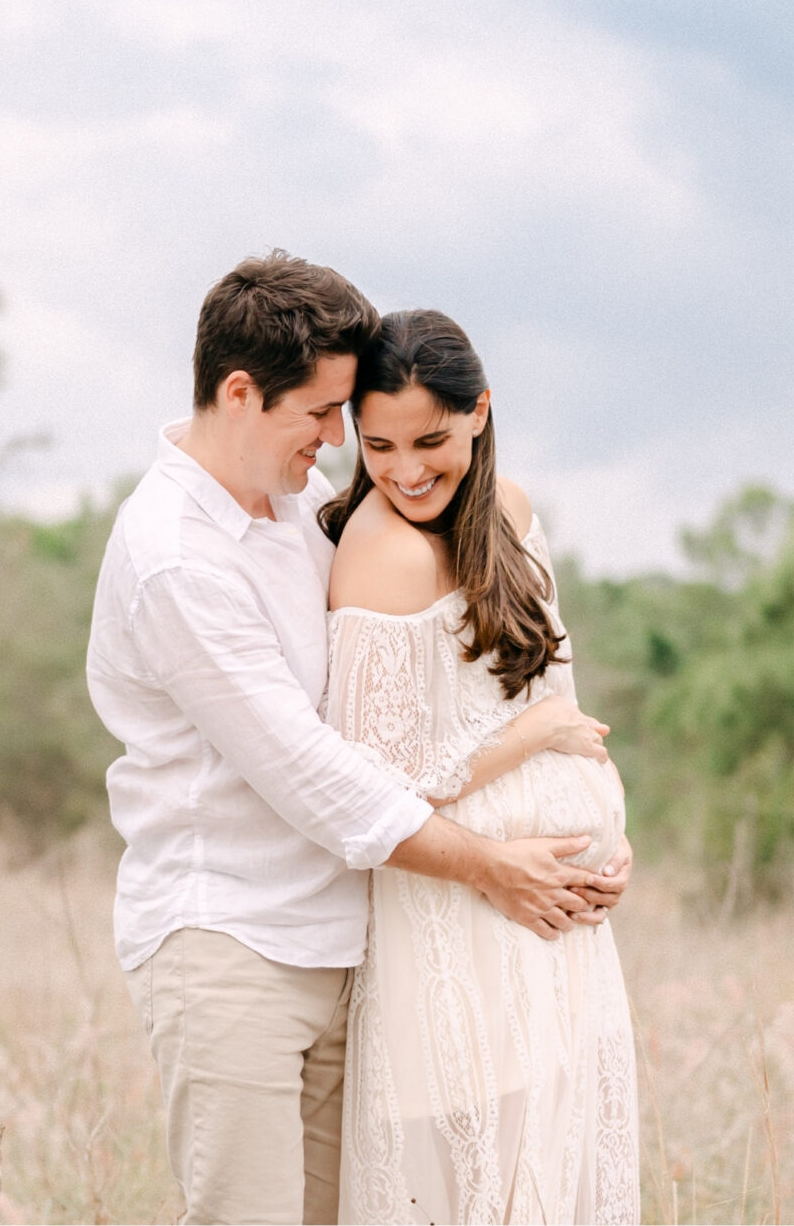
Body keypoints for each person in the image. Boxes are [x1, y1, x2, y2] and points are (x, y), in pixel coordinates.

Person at [85, 252, 624, 1224]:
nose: (337, 442)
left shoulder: (290, 510)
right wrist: (495, 867)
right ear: (240, 392)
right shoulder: (177, 558)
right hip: (232, 944)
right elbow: (321, 775)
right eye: (324, 415)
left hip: (342, 940)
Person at [321, 310, 638, 1223]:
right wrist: (535, 737)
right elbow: (378, 780)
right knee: (464, 1186)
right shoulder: (378, 553)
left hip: (560, 930)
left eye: (430, 439)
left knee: (554, 1173)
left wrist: (612, 845)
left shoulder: (513, 516)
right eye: (377, 444)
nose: (406, 469)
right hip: (451, 926)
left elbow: (567, 700)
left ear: (480, 413)